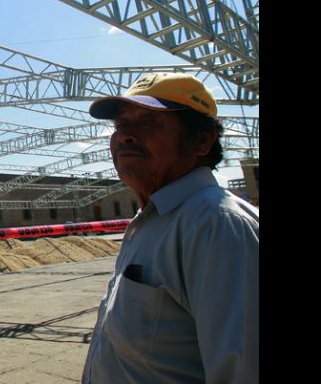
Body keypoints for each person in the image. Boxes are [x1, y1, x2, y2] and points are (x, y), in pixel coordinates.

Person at [81, 73, 259, 383]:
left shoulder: (217, 226)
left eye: (148, 122)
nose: (125, 136)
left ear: (202, 140)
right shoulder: (151, 222)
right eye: (121, 125)